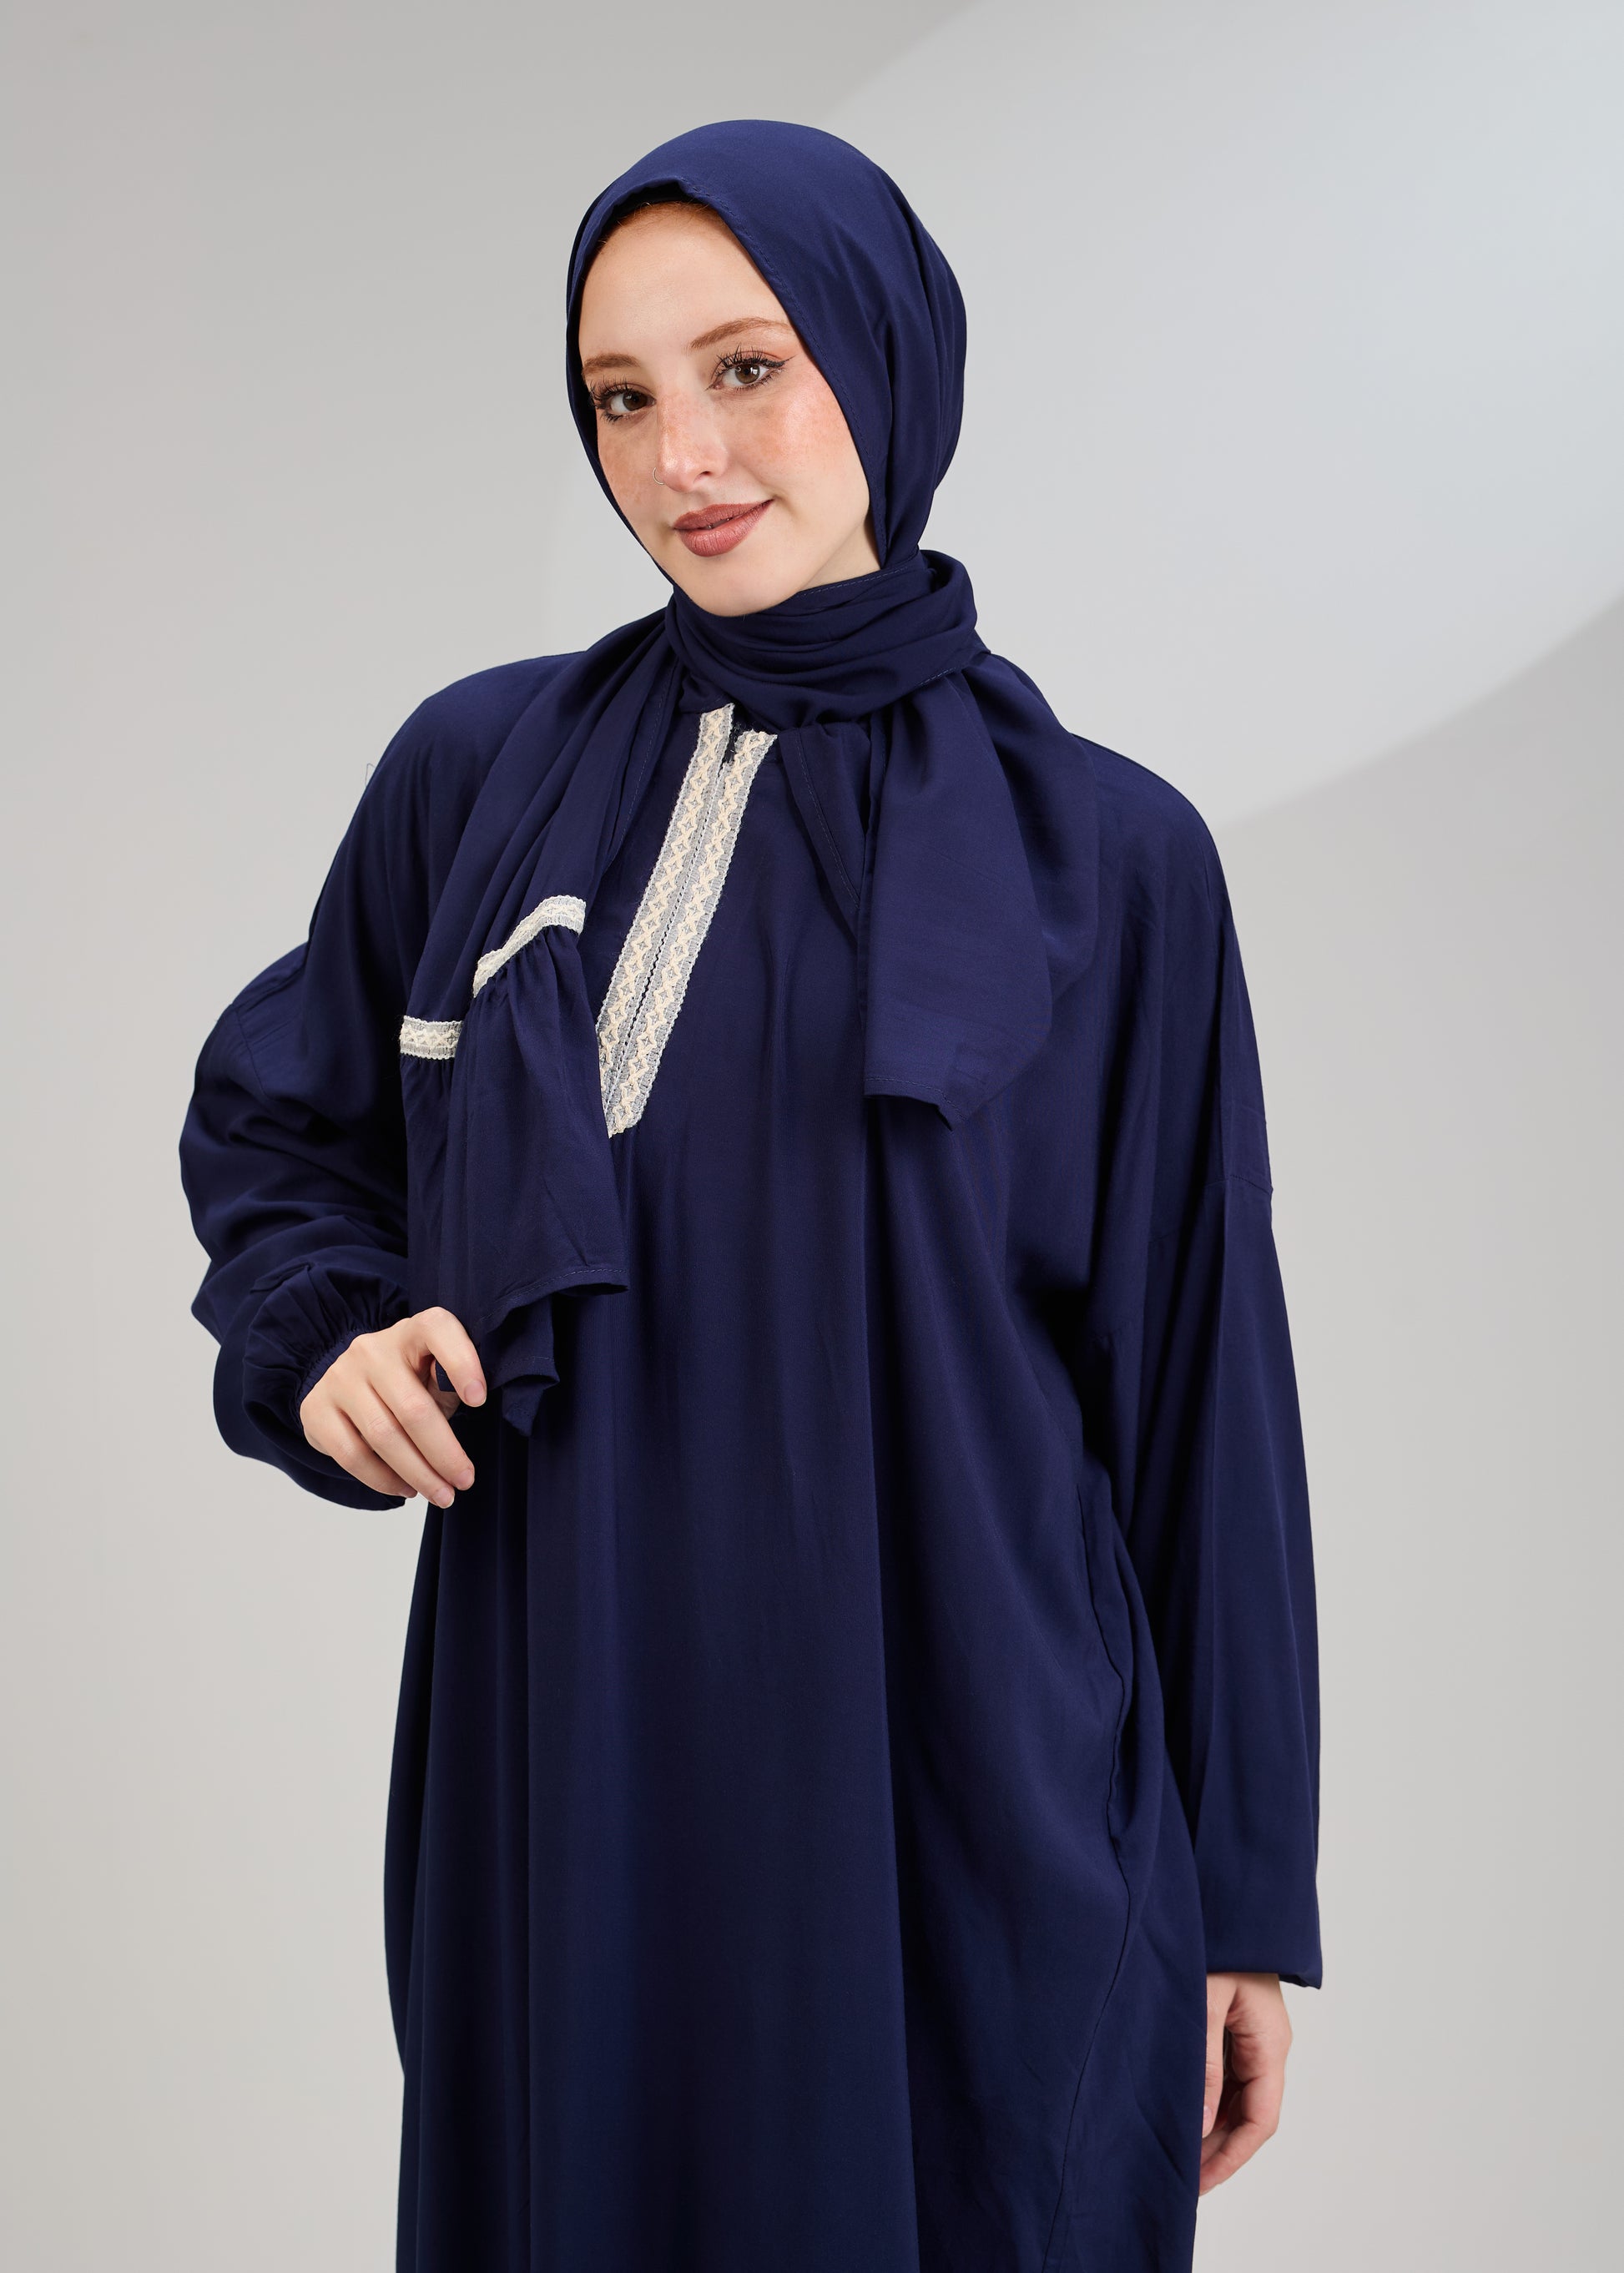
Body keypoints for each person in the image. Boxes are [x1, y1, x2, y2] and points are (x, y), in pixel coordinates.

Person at [179, 119, 1320, 2273]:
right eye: (620, 397)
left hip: (981, 1797)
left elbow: (1201, 1393)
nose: (681, 456)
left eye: (746, 368)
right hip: (580, 1772)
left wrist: (1246, 1894)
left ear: (881, 361)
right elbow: (287, 1136)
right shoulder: (479, 777)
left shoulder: (1112, 860)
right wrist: (323, 1328)